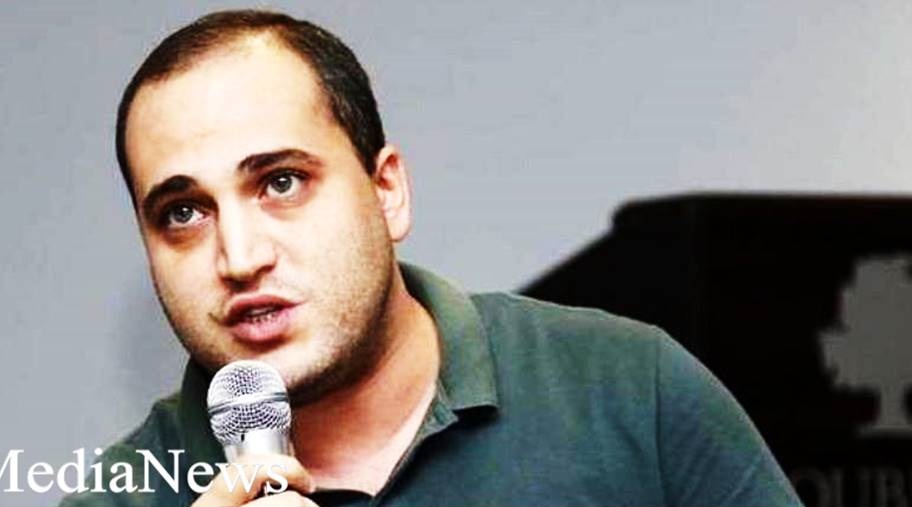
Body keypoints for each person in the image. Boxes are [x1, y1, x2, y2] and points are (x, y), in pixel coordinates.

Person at [61, 9, 802, 507]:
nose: (240, 255)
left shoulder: (628, 391)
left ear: (387, 192)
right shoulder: (126, 493)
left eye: (281, 182)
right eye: (183, 212)